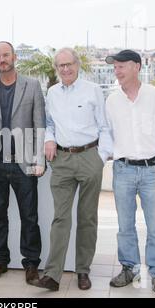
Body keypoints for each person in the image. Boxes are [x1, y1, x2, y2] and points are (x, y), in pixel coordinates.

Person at [34, 47, 112, 291]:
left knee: (87, 218)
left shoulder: (93, 91)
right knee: (61, 218)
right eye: (61, 66)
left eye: (69, 64)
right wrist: (48, 138)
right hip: (62, 160)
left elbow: (105, 127)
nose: (65, 69)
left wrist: (101, 157)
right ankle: (52, 275)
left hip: (89, 156)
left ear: (77, 65)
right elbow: (49, 123)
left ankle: (83, 271)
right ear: (56, 69)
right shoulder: (53, 92)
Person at [105, 50, 155, 294]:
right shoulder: (112, 101)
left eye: (121, 65)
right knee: (125, 225)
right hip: (122, 170)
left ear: (137, 66)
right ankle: (128, 268)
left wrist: (151, 150)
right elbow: (108, 134)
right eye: (115, 66)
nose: (117, 70)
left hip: (151, 171)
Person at [0, 41, 46, 285]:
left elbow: (39, 125)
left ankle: (31, 264)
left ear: (14, 57)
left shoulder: (32, 85)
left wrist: (39, 159)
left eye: (5, 55)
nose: (1, 59)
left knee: (30, 216)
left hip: (24, 163)